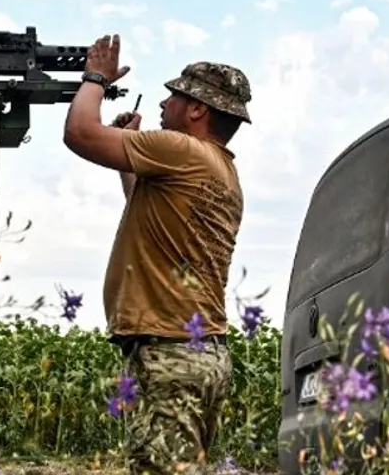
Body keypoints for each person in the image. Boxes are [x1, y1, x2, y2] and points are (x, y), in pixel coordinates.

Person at [61, 34, 252, 475]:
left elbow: (80, 134)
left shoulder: (180, 150)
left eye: (174, 96)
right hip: (197, 355)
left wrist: (96, 79)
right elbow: (142, 205)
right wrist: (130, 152)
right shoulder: (220, 169)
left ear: (198, 109)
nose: (164, 105)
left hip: (169, 351)